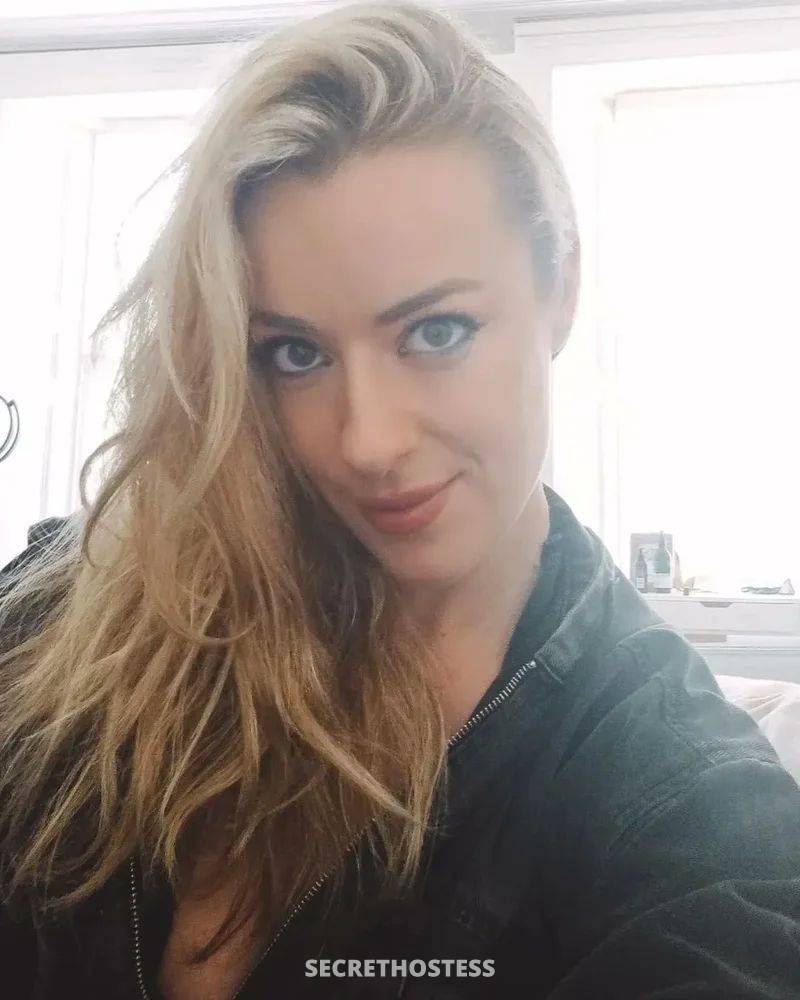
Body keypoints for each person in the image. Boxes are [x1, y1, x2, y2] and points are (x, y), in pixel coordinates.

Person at [1, 2, 799, 997]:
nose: (366, 443)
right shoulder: (75, 607)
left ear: (559, 283)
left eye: (437, 332)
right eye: (294, 354)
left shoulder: (680, 807)